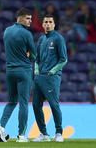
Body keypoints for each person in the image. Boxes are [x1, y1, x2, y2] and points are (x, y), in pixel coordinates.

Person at [0, 8, 36, 143]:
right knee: (23, 102)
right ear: (20, 18)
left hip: (10, 71)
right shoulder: (26, 33)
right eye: (28, 18)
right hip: (24, 71)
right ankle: (21, 136)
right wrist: (29, 53)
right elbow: (35, 55)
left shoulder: (6, 30)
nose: (31, 21)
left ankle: (0, 129)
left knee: (12, 101)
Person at [32, 14, 67, 142]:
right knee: (36, 105)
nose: (47, 24)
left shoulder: (58, 38)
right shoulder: (41, 39)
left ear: (54, 24)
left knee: (54, 105)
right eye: (45, 22)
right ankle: (43, 133)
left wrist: (52, 71)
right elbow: (38, 59)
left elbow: (64, 59)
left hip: (52, 77)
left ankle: (58, 133)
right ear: (42, 24)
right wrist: (36, 70)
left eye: (50, 22)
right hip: (40, 77)